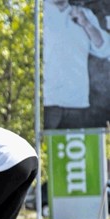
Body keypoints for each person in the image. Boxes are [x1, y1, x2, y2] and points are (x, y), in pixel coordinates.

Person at [43, 0, 110, 129]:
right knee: (40, 148)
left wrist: (86, 24)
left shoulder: (85, 14)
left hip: (77, 103)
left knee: (78, 147)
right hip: (47, 103)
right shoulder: (37, 14)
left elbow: (105, 49)